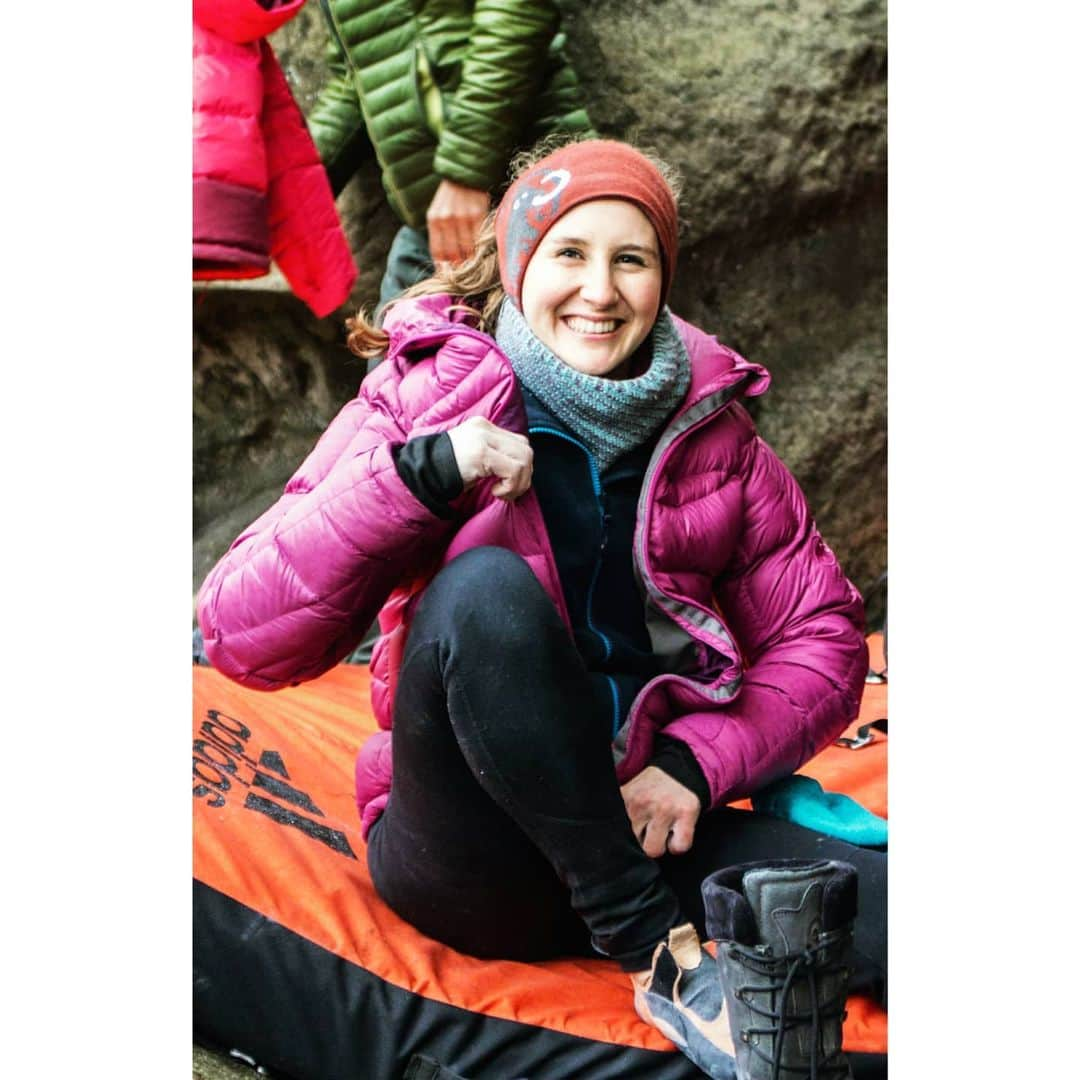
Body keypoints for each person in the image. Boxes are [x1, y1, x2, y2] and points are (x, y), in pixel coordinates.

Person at [197, 139, 885, 1079]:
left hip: (644, 819)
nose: (599, 290)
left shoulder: (715, 429)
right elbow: (240, 632)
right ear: (521, 263)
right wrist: (425, 473)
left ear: (662, 278)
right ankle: (660, 955)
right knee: (482, 592)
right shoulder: (426, 396)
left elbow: (824, 638)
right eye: (570, 254)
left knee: (894, 905)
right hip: (474, 856)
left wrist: (692, 765)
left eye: (630, 259)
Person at [306, 0, 594, 314]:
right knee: (393, 346)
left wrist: (466, 174)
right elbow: (359, 77)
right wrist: (291, 193)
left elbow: (518, 14)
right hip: (437, 225)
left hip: (544, 194)